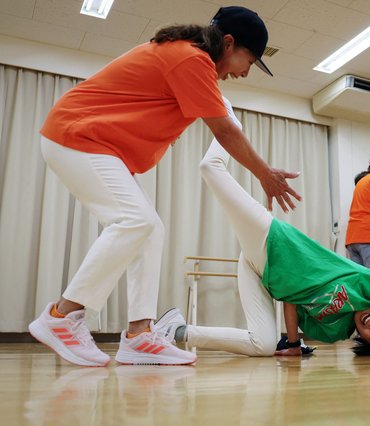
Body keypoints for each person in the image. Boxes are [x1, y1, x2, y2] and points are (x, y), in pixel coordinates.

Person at [28, 6, 302, 367]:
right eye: (248, 60)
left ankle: (140, 335)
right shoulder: (191, 59)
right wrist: (264, 173)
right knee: (135, 221)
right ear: (230, 43)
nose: (246, 71)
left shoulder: (191, 62)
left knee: (149, 229)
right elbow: (224, 130)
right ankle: (62, 317)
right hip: (76, 135)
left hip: (95, 144)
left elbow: (220, 119)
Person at [158, 138, 370, 358]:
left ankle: (176, 330)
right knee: (211, 168)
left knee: (262, 345)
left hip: (262, 274)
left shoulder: (332, 332)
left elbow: (293, 298)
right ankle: (226, 117)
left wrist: (292, 342)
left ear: (365, 344)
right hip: (276, 244)